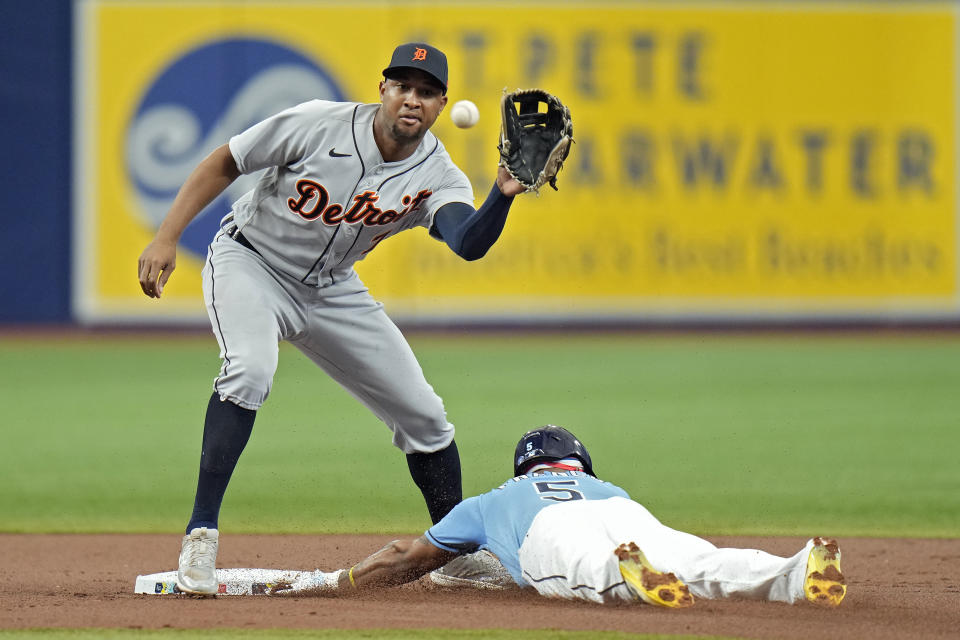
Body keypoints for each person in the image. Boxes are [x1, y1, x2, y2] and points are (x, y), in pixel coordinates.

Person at [136, 42, 531, 595]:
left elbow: (467, 241)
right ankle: (200, 537)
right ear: (382, 90)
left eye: (424, 92)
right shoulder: (319, 124)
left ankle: (452, 550)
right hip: (251, 262)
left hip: (331, 288)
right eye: (402, 87)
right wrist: (166, 236)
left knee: (426, 418)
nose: (410, 100)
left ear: (442, 104)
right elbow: (226, 160)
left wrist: (504, 194)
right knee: (249, 372)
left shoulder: (438, 173)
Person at [285, 425, 847, 608]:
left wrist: (348, 582)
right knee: (698, 555)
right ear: (576, 462)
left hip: (546, 531)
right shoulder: (604, 484)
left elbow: (409, 557)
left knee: (579, 567)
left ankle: (628, 577)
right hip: (626, 513)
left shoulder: (489, 501)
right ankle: (799, 569)